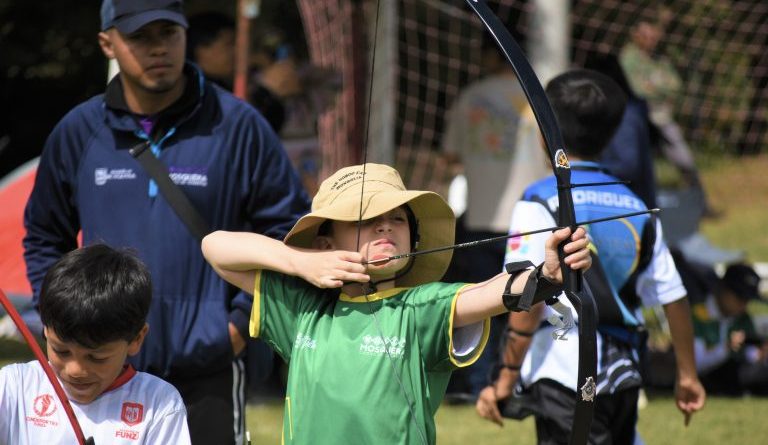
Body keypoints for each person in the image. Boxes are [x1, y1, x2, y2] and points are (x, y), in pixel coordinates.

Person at [22, 1, 310, 444]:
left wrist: (235, 325)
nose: (158, 49)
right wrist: (64, 324)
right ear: (108, 43)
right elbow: (44, 236)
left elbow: (288, 234)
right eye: (140, 37)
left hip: (208, 366)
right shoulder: (77, 131)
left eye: (168, 34)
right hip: (102, 367)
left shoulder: (239, 126)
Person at [201, 163, 592, 444]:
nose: (385, 225)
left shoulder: (420, 307)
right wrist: (301, 262)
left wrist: (546, 275)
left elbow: (494, 292)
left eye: (397, 219)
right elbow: (215, 246)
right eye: (365, 219)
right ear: (326, 242)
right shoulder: (303, 310)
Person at [474, 69, 706, 444]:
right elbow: (672, 296)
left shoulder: (538, 199)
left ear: (546, 132)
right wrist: (688, 375)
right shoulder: (635, 205)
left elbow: (527, 294)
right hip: (622, 372)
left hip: (561, 371)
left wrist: (505, 377)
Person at [441, 36, 549, 399]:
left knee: (480, 304)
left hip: (483, 219)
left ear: (489, 56)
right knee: (529, 303)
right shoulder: (537, 96)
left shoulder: (471, 96)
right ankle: (521, 380)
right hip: (531, 221)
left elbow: (450, 156)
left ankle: (478, 383)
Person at [0, 244, 191, 444]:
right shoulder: (14, 386)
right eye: (61, 351)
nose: (75, 370)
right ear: (46, 330)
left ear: (136, 339)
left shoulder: (159, 403)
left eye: (96, 357)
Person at [620, 13, 719, 217]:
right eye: (646, 34)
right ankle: (641, 210)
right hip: (638, 119)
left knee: (685, 160)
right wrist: (658, 87)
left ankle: (701, 205)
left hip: (661, 117)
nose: (651, 39)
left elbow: (675, 85)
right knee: (637, 166)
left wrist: (654, 86)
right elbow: (637, 89)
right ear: (636, 34)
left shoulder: (658, 58)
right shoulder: (628, 58)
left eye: (653, 35)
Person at [693, 263, 768, 396]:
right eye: (740, 298)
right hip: (708, 378)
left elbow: (747, 355)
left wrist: (760, 354)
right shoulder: (697, 315)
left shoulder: (743, 319)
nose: (743, 305)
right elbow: (694, 364)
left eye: (747, 300)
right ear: (723, 289)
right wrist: (726, 348)